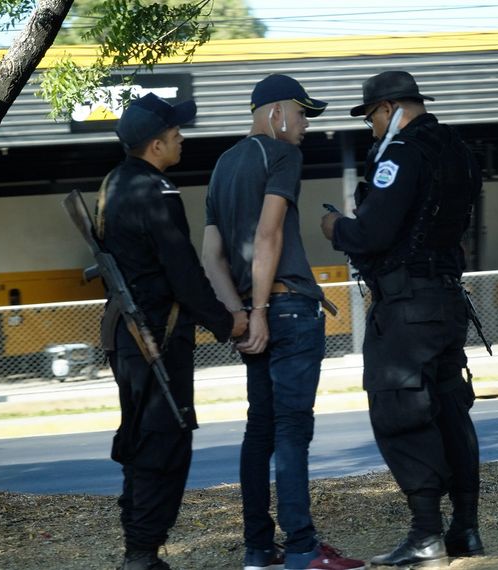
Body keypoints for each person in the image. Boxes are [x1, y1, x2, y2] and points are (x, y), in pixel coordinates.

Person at [321, 71, 485, 567]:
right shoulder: (457, 149)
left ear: (390, 108)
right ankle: (466, 529)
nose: (371, 128)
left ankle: (426, 536)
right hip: (446, 299)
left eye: (371, 116)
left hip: (407, 306)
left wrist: (335, 227)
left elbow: (372, 232)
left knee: (402, 410)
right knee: (450, 410)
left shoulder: (401, 153)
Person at [202, 74, 365, 570]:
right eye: (301, 114)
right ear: (276, 114)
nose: (306, 127)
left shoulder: (223, 166)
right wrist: (260, 313)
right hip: (288, 311)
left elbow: (212, 256)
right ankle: (302, 549)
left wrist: (240, 314)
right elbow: (269, 235)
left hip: (254, 315)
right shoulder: (282, 156)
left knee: (260, 432)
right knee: (293, 431)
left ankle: (258, 549)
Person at [100, 92, 247, 570]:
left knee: (145, 437)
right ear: (156, 145)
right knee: (165, 441)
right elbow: (183, 272)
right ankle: (142, 552)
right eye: (175, 133)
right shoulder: (155, 190)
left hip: (129, 334)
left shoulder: (114, 185)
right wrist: (228, 322)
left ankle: (139, 548)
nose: (182, 138)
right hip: (156, 338)